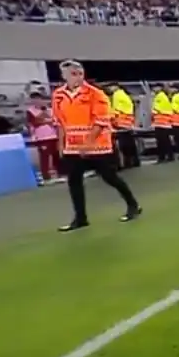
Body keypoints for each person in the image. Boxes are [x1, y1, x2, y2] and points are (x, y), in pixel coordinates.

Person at [50, 60, 141, 232]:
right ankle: (80, 218)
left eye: (79, 73)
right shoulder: (58, 95)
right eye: (72, 74)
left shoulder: (96, 94)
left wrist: (88, 143)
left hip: (98, 145)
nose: (77, 77)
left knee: (109, 177)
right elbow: (59, 122)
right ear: (64, 76)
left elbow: (101, 121)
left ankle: (132, 205)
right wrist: (61, 144)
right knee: (74, 180)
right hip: (72, 146)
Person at [25, 92, 59, 182]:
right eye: (34, 99)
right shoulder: (30, 111)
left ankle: (59, 172)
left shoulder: (49, 109)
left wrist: (46, 119)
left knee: (56, 155)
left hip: (53, 135)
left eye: (38, 99)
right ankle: (45, 176)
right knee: (44, 157)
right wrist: (45, 119)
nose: (37, 101)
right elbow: (34, 123)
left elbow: (55, 120)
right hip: (41, 137)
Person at [108, 84, 140, 170]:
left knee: (124, 145)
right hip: (127, 123)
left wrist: (112, 117)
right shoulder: (124, 94)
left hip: (121, 123)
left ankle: (128, 162)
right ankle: (134, 161)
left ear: (116, 87)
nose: (110, 88)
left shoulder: (117, 95)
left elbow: (116, 109)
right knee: (129, 143)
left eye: (111, 86)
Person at [150, 83, 174, 163]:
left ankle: (164, 157)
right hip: (162, 122)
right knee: (164, 141)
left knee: (162, 141)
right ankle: (167, 156)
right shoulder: (162, 96)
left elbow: (156, 109)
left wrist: (152, 113)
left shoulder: (160, 96)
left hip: (162, 122)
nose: (153, 89)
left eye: (155, 87)